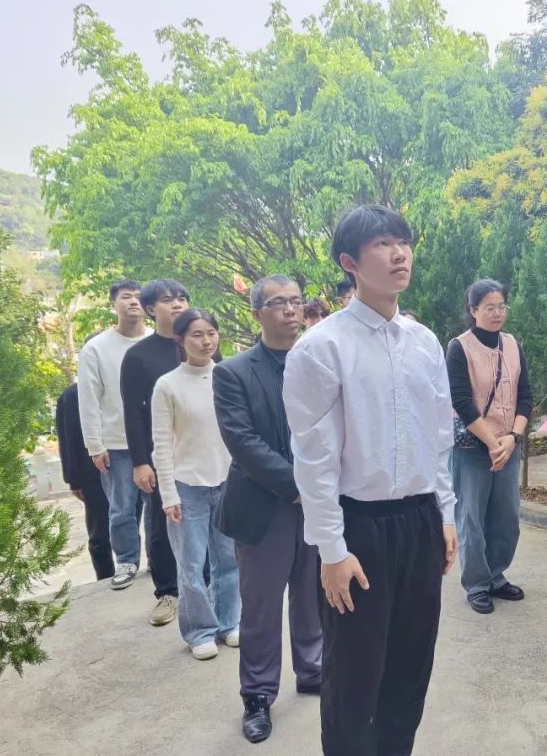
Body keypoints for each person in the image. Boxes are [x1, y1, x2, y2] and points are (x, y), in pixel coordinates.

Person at [283, 204, 458, 755]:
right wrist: (331, 551)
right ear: (350, 263)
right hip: (359, 529)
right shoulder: (322, 347)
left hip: (420, 521)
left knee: (411, 666)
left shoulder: (424, 341)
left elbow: (439, 438)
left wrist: (445, 515)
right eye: (382, 244)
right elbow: (313, 460)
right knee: (354, 677)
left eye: (403, 241)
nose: (399, 253)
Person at [213, 275, 322, 744]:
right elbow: (242, 442)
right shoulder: (233, 372)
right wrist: (300, 486)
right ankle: (257, 695)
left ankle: (313, 669)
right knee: (260, 608)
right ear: (257, 313)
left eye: (296, 301)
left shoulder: (318, 362)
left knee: (313, 594)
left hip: (318, 504)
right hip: (264, 507)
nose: (291, 310)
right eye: (279, 303)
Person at [152, 309, 238, 660]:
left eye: (211, 333)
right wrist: (168, 494)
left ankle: (229, 622)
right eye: (197, 335)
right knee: (191, 564)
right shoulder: (168, 384)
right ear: (180, 340)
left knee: (229, 559)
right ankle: (199, 631)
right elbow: (161, 443)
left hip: (228, 481)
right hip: (188, 485)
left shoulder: (228, 375)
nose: (206, 341)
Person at [446, 279, 533, 615]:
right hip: (472, 449)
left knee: (506, 517)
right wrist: (493, 442)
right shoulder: (459, 348)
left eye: (501, 307)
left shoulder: (512, 344)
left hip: (508, 446)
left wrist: (512, 438)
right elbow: (462, 402)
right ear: (473, 311)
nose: (497, 313)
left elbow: (526, 396)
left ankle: (496, 576)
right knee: (472, 520)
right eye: (489, 308)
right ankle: (477, 584)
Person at [120, 278, 189, 626]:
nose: (177, 304)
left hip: (200, 452)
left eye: (182, 298)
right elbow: (132, 413)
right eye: (167, 300)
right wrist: (140, 462)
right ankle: (168, 592)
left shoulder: (201, 344)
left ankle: (208, 588)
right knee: (163, 523)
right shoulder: (138, 356)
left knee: (208, 521)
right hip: (160, 454)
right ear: (150, 309)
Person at [77, 280, 151, 592]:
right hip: (117, 443)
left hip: (156, 441)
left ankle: (162, 559)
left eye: (138, 297)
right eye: (126, 297)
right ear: (114, 305)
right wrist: (95, 445)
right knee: (122, 508)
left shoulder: (158, 340)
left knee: (160, 508)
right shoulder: (96, 348)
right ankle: (127, 561)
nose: (133, 302)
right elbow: (88, 399)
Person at [56, 381, 114, 580]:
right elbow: (67, 439)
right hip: (91, 473)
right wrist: (73, 479)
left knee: (128, 525)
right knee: (99, 533)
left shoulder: (116, 385)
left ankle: (132, 569)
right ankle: (105, 577)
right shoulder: (71, 395)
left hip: (124, 467)